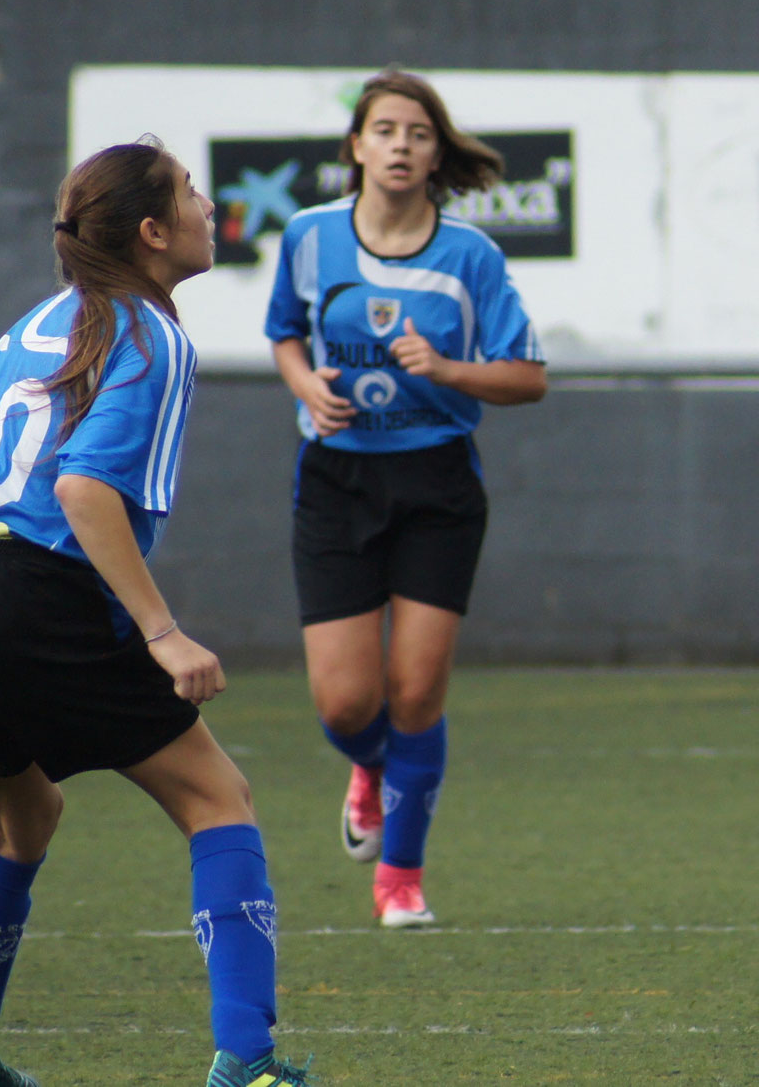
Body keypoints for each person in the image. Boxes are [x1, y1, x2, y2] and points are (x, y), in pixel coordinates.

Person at [0, 141, 314, 1087]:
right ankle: (250, 1063)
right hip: (23, 589)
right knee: (217, 798)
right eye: (192, 194)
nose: (209, 206)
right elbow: (84, 490)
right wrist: (162, 633)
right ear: (155, 234)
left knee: (22, 811)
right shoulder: (151, 334)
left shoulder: (39, 322)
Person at [265, 68, 546, 929]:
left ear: (435, 155)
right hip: (337, 481)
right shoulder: (310, 236)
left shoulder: (471, 255)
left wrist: (449, 370)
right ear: (356, 147)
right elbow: (283, 332)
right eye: (384, 130)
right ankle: (371, 767)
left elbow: (527, 378)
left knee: (416, 692)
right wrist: (306, 386)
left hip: (435, 483)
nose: (400, 145)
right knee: (346, 705)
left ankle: (401, 877)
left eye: (418, 133)